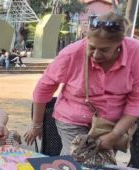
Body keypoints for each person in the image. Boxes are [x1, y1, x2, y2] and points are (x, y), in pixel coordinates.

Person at [24, 12, 139, 156]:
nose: (96, 55)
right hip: (73, 118)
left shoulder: (135, 53)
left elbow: (136, 101)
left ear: (120, 44)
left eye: (104, 50)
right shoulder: (71, 54)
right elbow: (43, 89)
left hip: (111, 123)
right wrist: (36, 125)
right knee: (76, 162)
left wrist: (115, 135)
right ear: (87, 38)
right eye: (91, 47)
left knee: (103, 168)